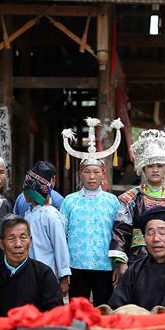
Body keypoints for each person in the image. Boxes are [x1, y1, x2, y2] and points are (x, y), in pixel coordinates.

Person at [110, 129, 165, 285]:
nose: (155, 170)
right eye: (150, 165)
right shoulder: (131, 198)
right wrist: (121, 261)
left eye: (159, 165)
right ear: (143, 168)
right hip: (137, 258)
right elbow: (121, 229)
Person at [60, 119, 122, 306]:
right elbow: (61, 234)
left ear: (103, 174)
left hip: (105, 265)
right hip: (75, 265)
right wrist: (63, 269)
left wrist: (118, 262)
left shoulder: (112, 201)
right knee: (78, 311)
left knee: (104, 309)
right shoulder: (70, 200)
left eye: (96, 172)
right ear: (81, 173)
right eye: (87, 172)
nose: (92, 176)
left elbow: (119, 234)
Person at [23, 161, 71, 298]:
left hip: (48, 273)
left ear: (34, 192)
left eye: (25, 190)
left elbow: (60, 246)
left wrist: (64, 277)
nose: (23, 193)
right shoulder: (29, 213)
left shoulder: (50, 215)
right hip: (30, 272)